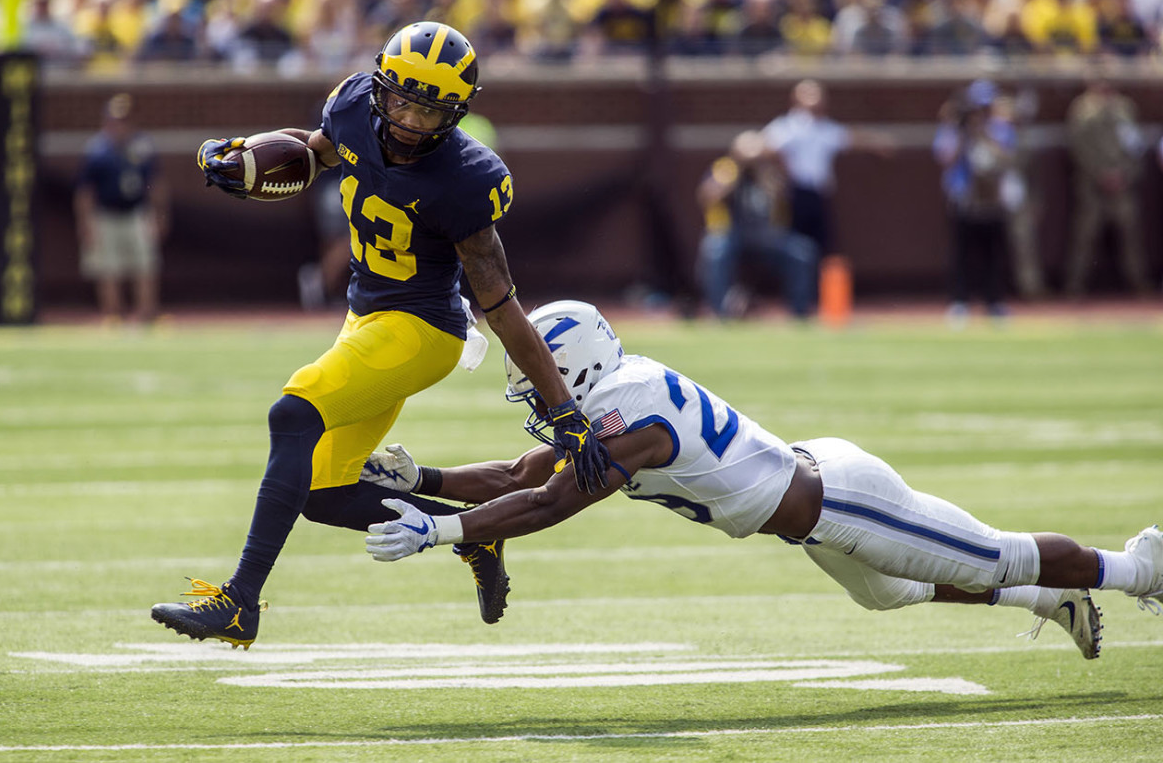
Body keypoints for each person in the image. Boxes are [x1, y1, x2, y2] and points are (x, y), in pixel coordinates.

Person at [363, 300, 1163, 661]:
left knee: (996, 555)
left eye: (541, 380)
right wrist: (424, 475)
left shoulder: (631, 417)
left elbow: (547, 501)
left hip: (842, 500)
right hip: (810, 502)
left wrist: (438, 529)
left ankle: (1139, 567)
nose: (538, 396)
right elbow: (521, 472)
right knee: (886, 595)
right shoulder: (613, 398)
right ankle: (1048, 600)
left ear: (573, 367)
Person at [150, 22, 611, 648]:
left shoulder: (466, 177)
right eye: (401, 100)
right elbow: (318, 151)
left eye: (430, 111)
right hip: (363, 318)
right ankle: (479, 533)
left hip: (423, 331)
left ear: (455, 114)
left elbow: (502, 306)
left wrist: (565, 411)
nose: (410, 120)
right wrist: (245, 154)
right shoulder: (350, 106)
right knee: (323, 492)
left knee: (293, 412)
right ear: (379, 87)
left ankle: (239, 604)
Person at [760, 79, 894, 260]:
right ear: (795, 97)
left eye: (818, 93)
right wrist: (781, 169)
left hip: (820, 194)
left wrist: (877, 143)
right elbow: (764, 147)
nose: (814, 97)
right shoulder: (785, 126)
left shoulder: (825, 128)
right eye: (808, 93)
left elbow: (849, 138)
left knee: (824, 248)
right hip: (794, 194)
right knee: (796, 247)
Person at [696, 129, 818, 320]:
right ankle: (719, 313)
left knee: (801, 251)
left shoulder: (769, 172)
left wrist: (765, 176)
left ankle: (800, 312)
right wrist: (733, 175)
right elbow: (707, 197)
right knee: (715, 249)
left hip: (767, 235)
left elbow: (785, 197)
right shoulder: (725, 170)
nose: (752, 160)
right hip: (732, 233)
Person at [72, 93, 168, 324]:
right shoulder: (97, 150)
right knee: (108, 268)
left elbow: (156, 184)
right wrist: (85, 222)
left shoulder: (142, 146)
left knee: (145, 265)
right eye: (115, 121)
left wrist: (160, 215)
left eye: (124, 121)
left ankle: (146, 314)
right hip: (106, 214)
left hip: (136, 213)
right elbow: (85, 191)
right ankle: (113, 315)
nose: (120, 126)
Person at [932, 79, 1015, 325]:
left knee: (993, 253)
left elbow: (1007, 158)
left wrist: (983, 134)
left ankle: (994, 302)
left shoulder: (1000, 128)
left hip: (992, 198)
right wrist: (961, 131)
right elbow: (944, 157)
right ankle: (960, 301)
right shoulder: (954, 129)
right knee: (961, 253)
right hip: (964, 197)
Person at [1064, 74, 1151, 299]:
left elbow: (1135, 146)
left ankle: (1139, 282)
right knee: (1086, 234)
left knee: (1130, 233)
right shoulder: (1082, 108)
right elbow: (1079, 147)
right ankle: (1074, 285)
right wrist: (1100, 174)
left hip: (1123, 183)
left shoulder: (1125, 108)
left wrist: (1125, 175)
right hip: (1092, 184)